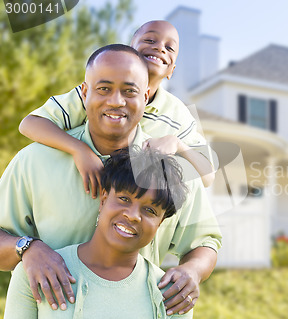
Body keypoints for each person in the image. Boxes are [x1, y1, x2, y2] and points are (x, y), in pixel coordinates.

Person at [0, 44, 221, 317]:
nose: (116, 101)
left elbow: (205, 242)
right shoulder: (33, 161)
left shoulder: (173, 173)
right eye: (104, 88)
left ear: (147, 95)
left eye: (129, 91)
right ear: (84, 92)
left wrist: (192, 271)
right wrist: (27, 248)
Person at [3, 148, 193, 319]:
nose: (133, 215)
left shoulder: (173, 294)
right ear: (103, 200)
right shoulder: (37, 272)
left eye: (150, 210)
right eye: (124, 199)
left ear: (159, 224)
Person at [19, 20, 216, 193]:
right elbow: (30, 124)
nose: (160, 48)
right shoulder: (97, 94)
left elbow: (208, 176)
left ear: (172, 70)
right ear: (129, 50)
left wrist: (177, 144)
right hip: (79, 190)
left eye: (169, 47)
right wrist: (79, 150)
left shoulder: (177, 114)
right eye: (150, 40)